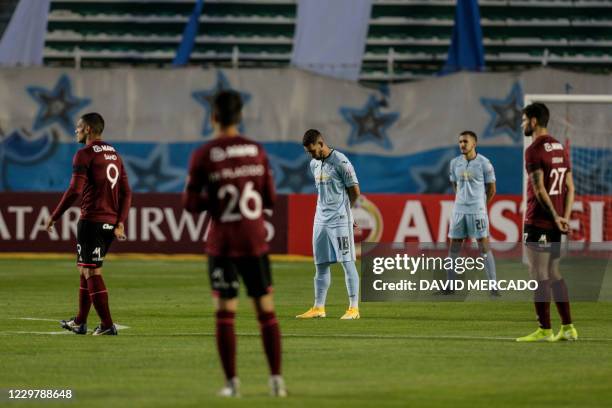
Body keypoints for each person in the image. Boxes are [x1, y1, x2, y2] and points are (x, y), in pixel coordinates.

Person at [183, 90, 286, 397]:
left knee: (226, 313)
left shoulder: (204, 154)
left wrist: (214, 198)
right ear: (240, 116)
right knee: (266, 311)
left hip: (223, 243)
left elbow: (190, 203)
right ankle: (276, 382)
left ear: (212, 116)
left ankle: (232, 384)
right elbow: (270, 199)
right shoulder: (256, 150)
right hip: (255, 241)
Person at [45, 112, 131, 336]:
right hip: (110, 222)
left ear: (89, 130)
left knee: (92, 272)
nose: (76, 130)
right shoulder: (114, 154)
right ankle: (80, 322)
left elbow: (75, 190)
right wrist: (120, 222)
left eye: (79, 127)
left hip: (92, 220)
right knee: (86, 269)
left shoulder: (84, 154)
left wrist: (55, 216)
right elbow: (126, 192)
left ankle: (106, 325)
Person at [516, 102, 577, 342]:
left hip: (540, 220)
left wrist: (553, 217)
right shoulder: (559, 147)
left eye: (523, 120)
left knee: (538, 272)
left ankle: (544, 329)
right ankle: (568, 327)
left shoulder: (534, 149)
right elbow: (570, 187)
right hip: (555, 221)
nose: (522, 124)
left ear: (532, 121)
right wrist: (564, 218)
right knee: (553, 271)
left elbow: (540, 190)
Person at [297, 129, 361, 320]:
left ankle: (353, 308)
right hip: (320, 220)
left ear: (321, 143)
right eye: (308, 152)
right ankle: (319, 307)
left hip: (339, 220)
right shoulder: (313, 165)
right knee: (321, 264)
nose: (311, 154)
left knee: (347, 262)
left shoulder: (341, 161)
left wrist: (347, 213)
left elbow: (355, 191)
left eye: (313, 150)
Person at [443, 131, 499, 296]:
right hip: (459, 210)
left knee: (483, 245)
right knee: (454, 246)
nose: (462, 144)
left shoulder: (485, 163)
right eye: (460, 141)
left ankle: (493, 286)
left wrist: (481, 204)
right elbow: (455, 184)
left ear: (474, 143)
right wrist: (461, 199)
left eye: (465, 141)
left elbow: (492, 189)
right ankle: (450, 285)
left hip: (477, 211)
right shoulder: (454, 163)